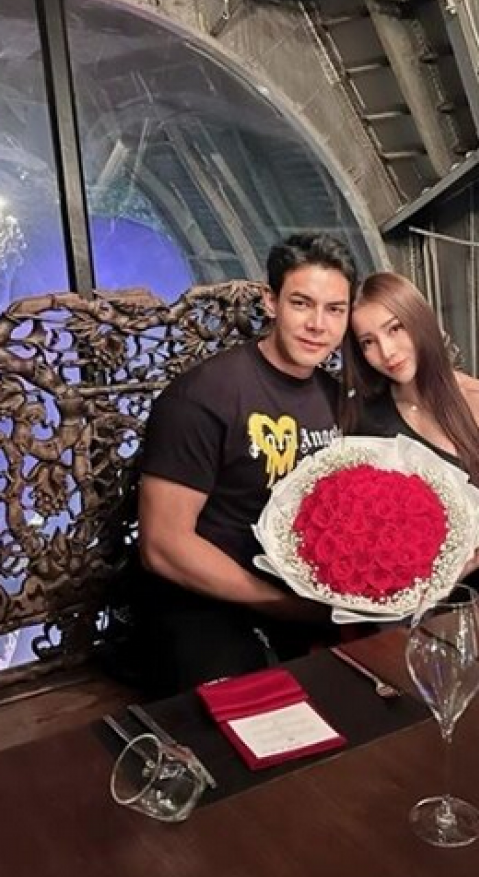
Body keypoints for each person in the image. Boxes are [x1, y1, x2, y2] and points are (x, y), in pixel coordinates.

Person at [138, 233, 357, 694]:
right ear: (270, 302)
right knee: (255, 714)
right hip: (207, 598)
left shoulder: (335, 396)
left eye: (335, 309)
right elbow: (162, 545)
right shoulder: (204, 396)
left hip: (303, 590)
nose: (317, 324)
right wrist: (281, 604)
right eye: (302, 303)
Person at [342, 272, 479, 576]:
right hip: (408, 583)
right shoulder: (367, 416)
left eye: (395, 328)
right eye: (368, 342)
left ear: (419, 321)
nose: (387, 352)